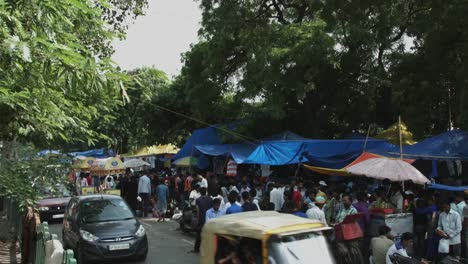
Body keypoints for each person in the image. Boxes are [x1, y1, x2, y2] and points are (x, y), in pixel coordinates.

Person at [191, 187, 212, 254]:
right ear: (206, 192)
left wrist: (197, 219)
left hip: (201, 219)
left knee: (199, 235)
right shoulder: (210, 199)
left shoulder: (198, 200)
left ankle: (196, 249)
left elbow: (198, 210)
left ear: (200, 192)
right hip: (209, 219)